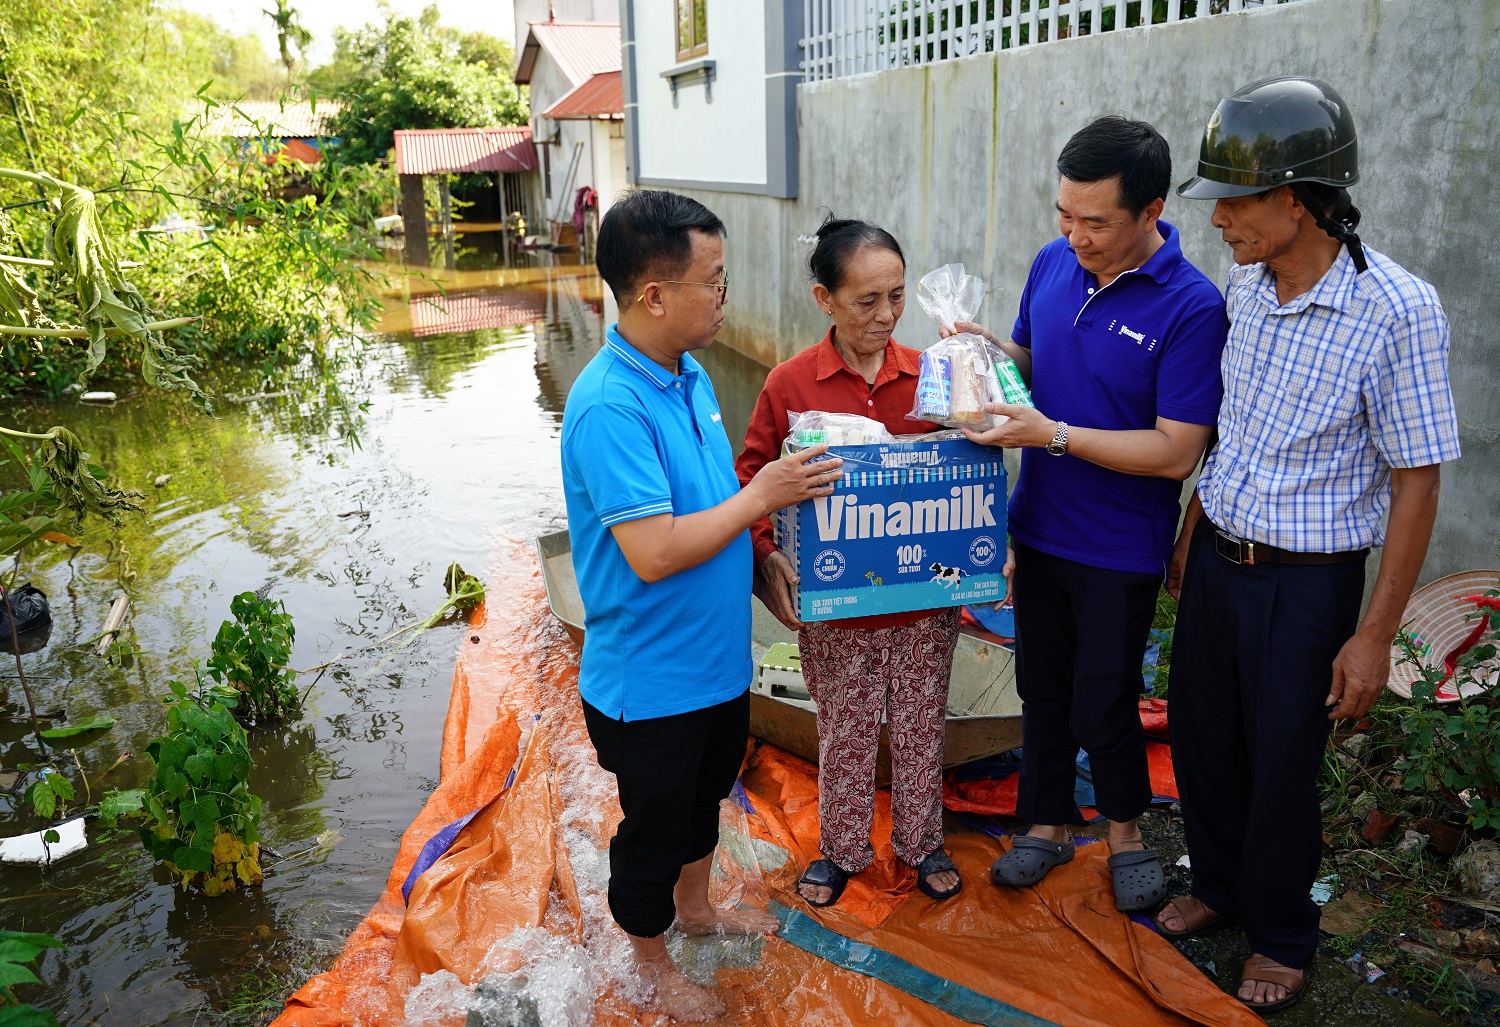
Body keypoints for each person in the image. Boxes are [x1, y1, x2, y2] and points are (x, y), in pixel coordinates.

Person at [1162, 77, 1461, 1012]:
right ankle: (1217, 884)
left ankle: (1284, 932)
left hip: (1307, 584)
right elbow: (1233, 426)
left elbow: (1416, 480)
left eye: (1237, 204)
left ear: (1298, 199)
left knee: (1282, 760)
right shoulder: (1247, 287)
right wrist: (1192, 527)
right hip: (1219, 558)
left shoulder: (1397, 312)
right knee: (1203, 737)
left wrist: (1374, 635)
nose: (1221, 225)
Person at [560, 189, 843, 1022]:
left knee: (704, 802)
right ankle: (645, 961)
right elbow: (653, 551)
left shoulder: (686, 377)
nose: (725, 294)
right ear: (654, 294)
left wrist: (760, 565)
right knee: (652, 828)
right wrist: (765, 496)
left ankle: (695, 908)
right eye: (713, 280)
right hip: (650, 682)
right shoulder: (611, 403)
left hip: (716, 664)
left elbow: (711, 503)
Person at [956, 117, 1228, 912]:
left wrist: (1056, 436)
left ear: (1149, 211)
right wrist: (983, 351)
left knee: (1105, 695)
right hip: (1037, 525)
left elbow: (1178, 450)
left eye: (1094, 222)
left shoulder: (1191, 306)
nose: (1074, 235)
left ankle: (1124, 832)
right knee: (1041, 687)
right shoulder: (1051, 264)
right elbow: (1035, 366)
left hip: (1118, 545)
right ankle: (1042, 821)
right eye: (1063, 216)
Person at [736, 216, 964, 908]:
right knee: (844, 726)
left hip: (925, 600)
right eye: (867, 301)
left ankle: (923, 843)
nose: (886, 314)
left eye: (896, 296)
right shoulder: (790, 384)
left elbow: (970, 474)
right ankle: (841, 848)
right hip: (837, 608)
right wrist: (767, 555)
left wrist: (989, 543)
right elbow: (751, 478)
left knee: (924, 722)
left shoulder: (932, 376)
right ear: (823, 299)